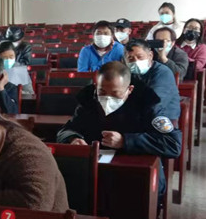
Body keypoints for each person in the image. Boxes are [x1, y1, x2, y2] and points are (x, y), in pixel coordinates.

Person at [56, 62, 181, 198]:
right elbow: (66, 130)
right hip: (95, 171)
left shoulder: (148, 103)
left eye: (116, 94)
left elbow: (173, 144)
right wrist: (73, 138)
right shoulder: (89, 100)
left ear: (130, 89)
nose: (108, 99)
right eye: (102, 92)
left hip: (136, 174)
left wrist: (125, 141)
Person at [125, 39, 181, 122]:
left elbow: (154, 104)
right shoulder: (130, 73)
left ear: (150, 55)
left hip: (162, 119)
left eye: (140, 57)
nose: (136, 61)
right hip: (137, 116)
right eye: (130, 58)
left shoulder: (163, 73)